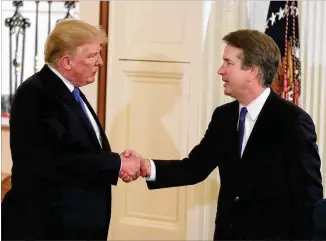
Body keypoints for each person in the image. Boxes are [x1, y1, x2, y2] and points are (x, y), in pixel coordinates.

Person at [121, 29, 324, 240]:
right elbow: (195, 168)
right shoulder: (224, 117)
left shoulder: (292, 121)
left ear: (252, 72)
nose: (220, 70)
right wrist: (146, 166)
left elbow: (309, 198)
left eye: (228, 63)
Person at [1, 19, 140, 240]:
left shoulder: (67, 90)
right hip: (47, 227)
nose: (100, 62)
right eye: (92, 56)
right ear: (67, 61)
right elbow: (59, 159)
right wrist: (118, 163)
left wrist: (115, 161)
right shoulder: (36, 94)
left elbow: (79, 148)